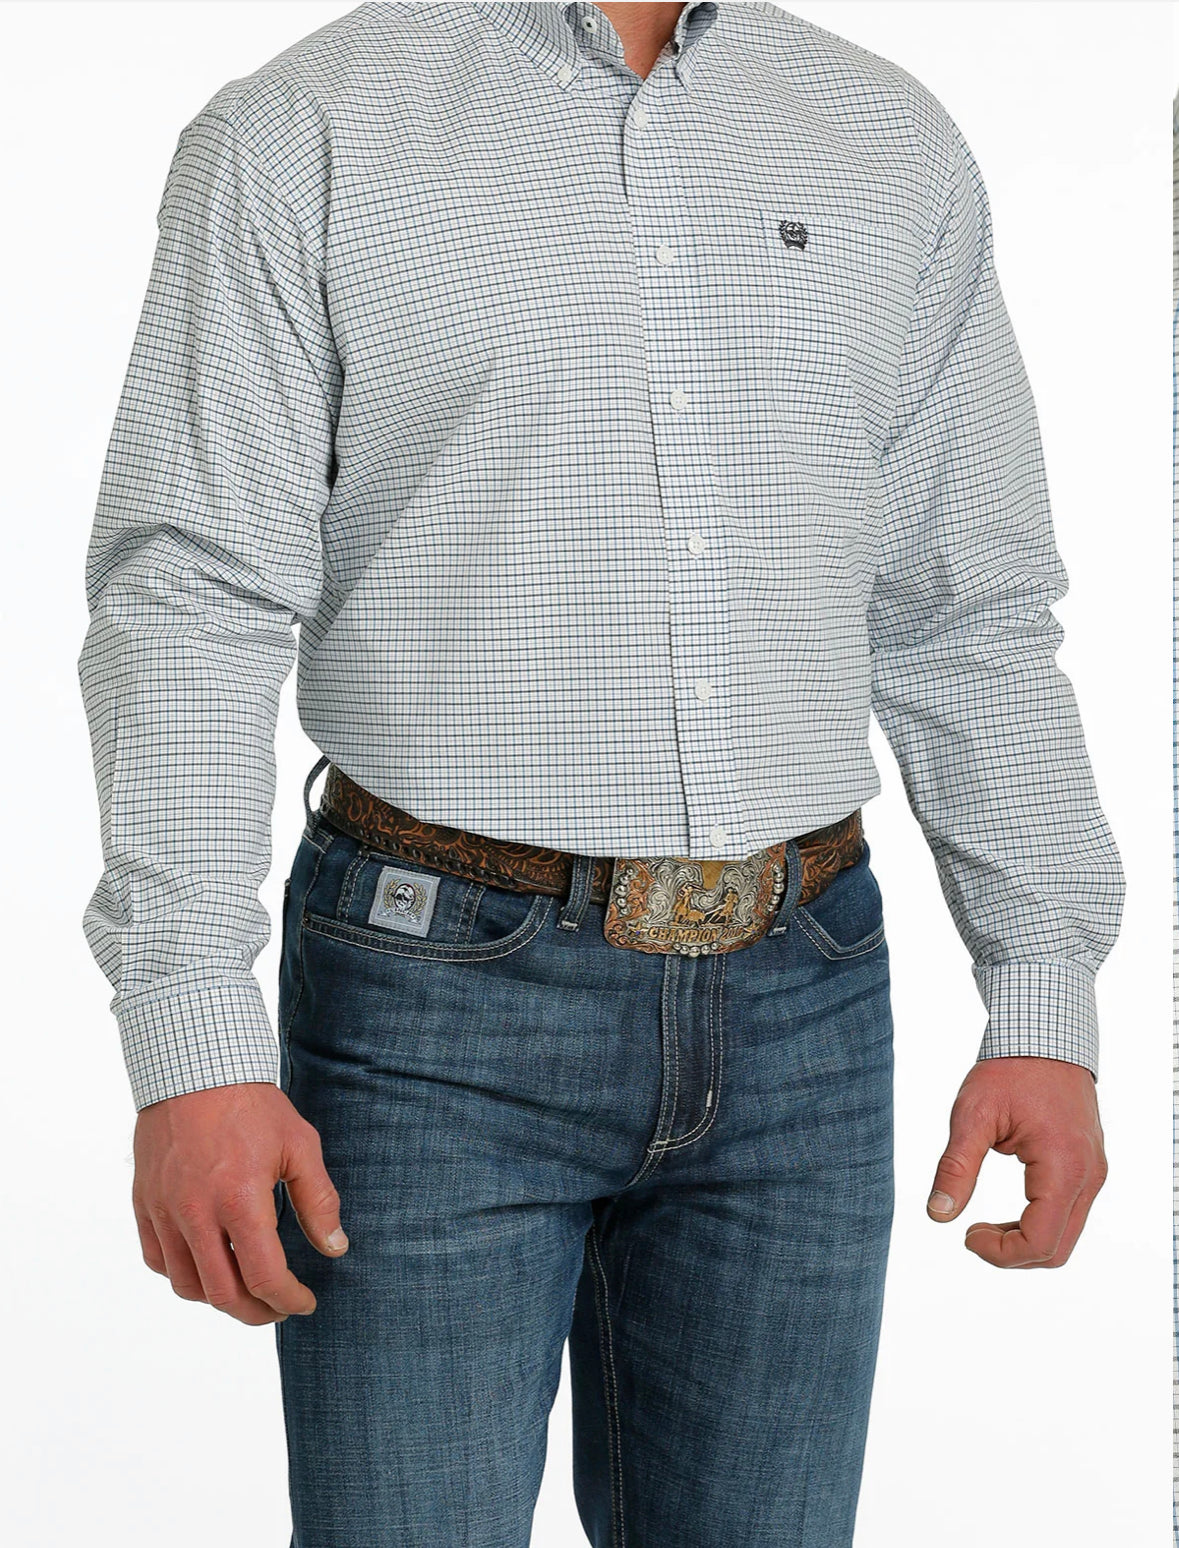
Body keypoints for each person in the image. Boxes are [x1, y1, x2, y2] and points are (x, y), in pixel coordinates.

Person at [77, 4, 1125, 1544]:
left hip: (806, 1003)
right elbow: (191, 594)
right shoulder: (306, 129)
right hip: (430, 1003)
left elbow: (967, 608)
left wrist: (1044, 994)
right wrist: (190, 1038)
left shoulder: (887, 139)